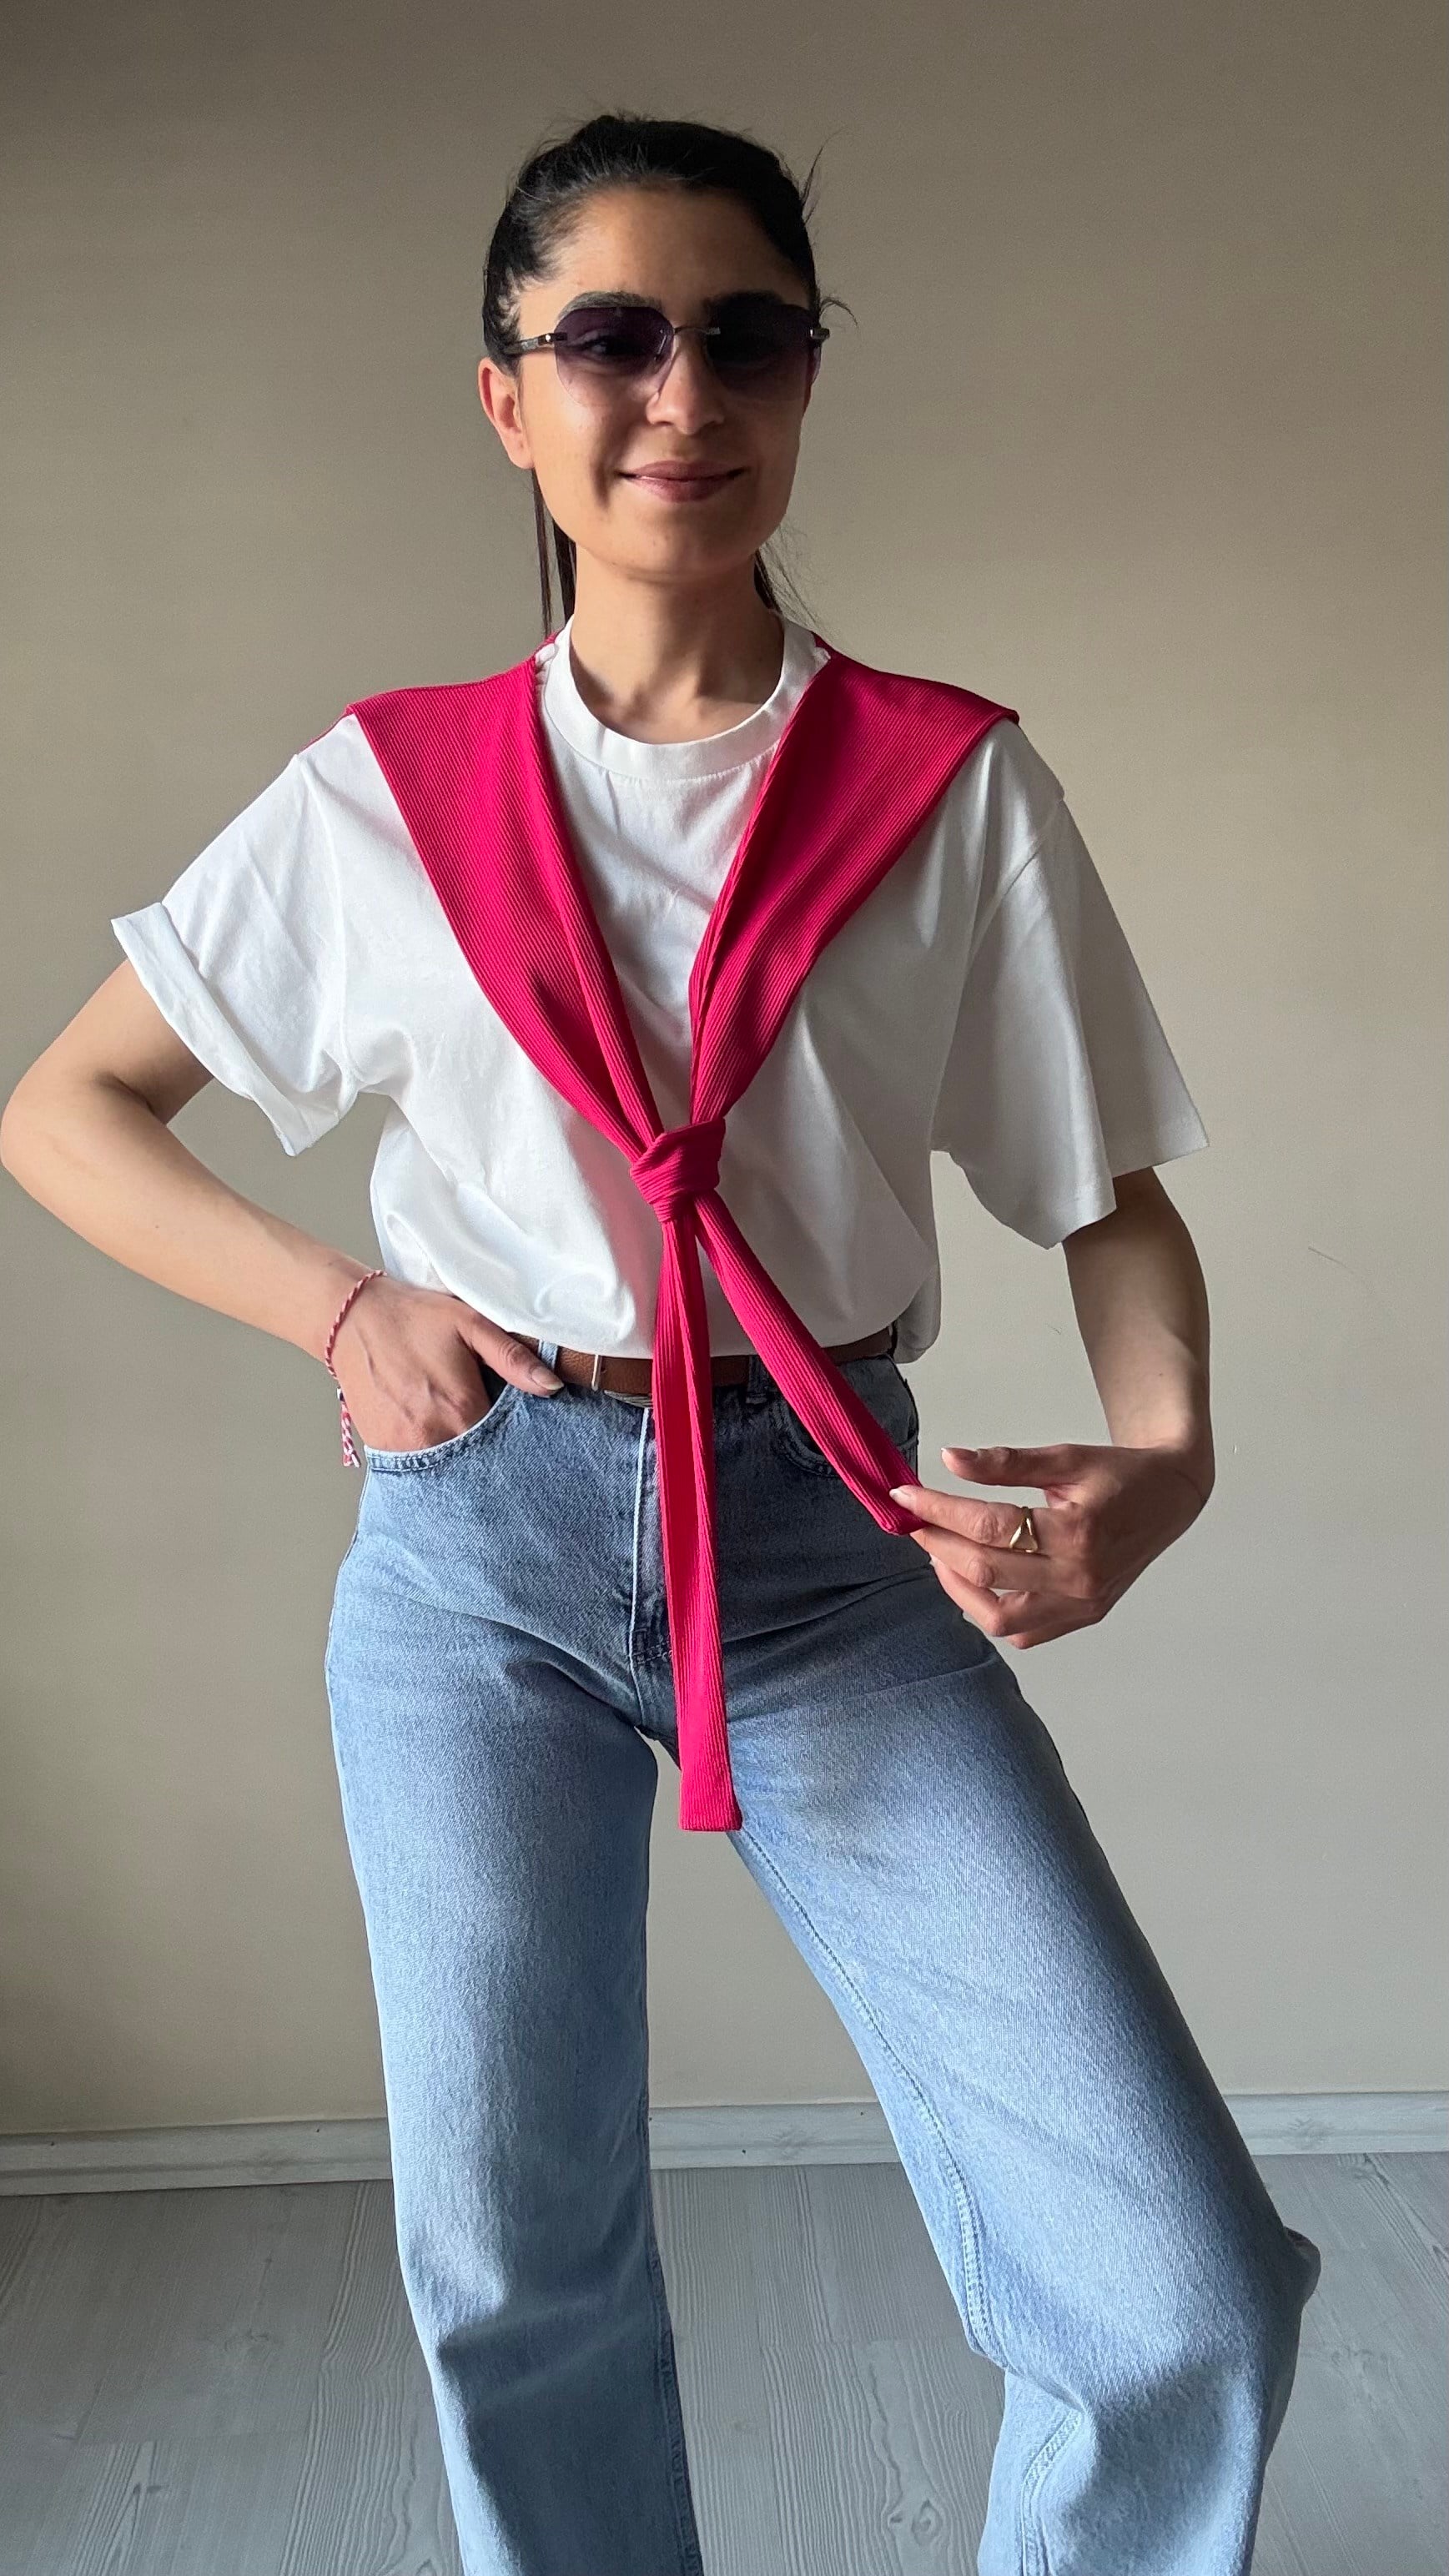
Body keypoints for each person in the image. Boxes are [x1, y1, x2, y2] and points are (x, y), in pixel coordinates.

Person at [1, 108, 1321, 2576]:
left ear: (809, 378)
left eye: (747, 334)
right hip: (475, 1558)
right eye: (608, 337)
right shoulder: (386, 795)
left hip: (829, 1542)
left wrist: (1166, 1457)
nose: (681, 391)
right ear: (507, 397)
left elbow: (1104, 1193)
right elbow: (61, 1111)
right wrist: (341, 1306)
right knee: (515, 2265)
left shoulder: (946, 788)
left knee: (1176, 2283)